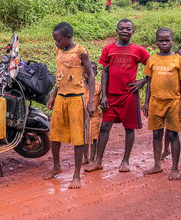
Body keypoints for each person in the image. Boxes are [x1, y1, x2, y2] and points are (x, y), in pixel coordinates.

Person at [85, 19, 149, 173]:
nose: (125, 31)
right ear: (117, 31)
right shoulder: (109, 49)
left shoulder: (139, 50)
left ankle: (125, 161)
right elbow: (105, 71)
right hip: (111, 97)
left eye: (128, 28)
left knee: (129, 128)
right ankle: (98, 161)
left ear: (133, 31)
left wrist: (143, 81)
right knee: (105, 127)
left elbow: (152, 66)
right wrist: (104, 96)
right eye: (122, 28)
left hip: (129, 96)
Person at [45, 22, 96, 189]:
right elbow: (60, 76)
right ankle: (56, 166)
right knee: (55, 134)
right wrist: (53, 96)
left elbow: (91, 76)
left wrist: (90, 102)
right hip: (61, 97)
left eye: (58, 40)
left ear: (68, 37)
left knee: (78, 138)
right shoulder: (60, 51)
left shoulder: (81, 52)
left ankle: (76, 175)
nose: (56, 43)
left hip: (77, 98)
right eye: (55, 40)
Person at [141, 28, 181, 180]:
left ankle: (175, 168)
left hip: (173, 102)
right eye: (161, 41)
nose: (164, 43)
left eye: (167, 40)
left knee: (173, 134)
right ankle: (157, 165)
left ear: (172, 41)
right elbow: (149, 81)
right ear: (156, 42)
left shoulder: (179, 60)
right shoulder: (152, 59)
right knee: (156, 134)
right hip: (155, 101)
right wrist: (146, 102)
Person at [83, 61, 101, 164]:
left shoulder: (98, 86)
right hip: (82, 116)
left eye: (92, 71)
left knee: (94, 138)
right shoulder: (80, 85)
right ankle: (85, 157)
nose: (89, 73)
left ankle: (92, 158)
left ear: (96, 73)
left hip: (94, 116)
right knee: (84, 138)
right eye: (86, 71)